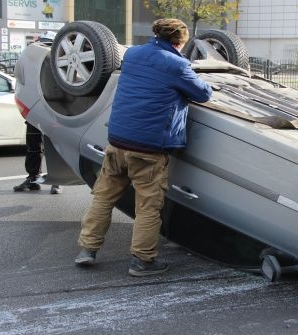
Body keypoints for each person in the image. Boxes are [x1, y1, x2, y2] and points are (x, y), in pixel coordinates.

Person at [74, 18, 212, 277]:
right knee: (147, 207)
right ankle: (142, 261)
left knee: (103, 197)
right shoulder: (177, 64)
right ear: (179, 42)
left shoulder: (133, 54)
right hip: (149, 148)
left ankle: (87, 250)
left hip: (117, 141)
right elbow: (203, 93)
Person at [13, 122, 62, 194]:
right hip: (35, 113)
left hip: (53, 113)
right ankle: (33, 179)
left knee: (54, 145)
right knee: (33, 146)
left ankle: (58, 180)